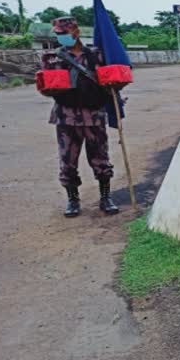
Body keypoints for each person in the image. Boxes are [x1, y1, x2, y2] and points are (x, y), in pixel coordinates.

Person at [40, 16, 119, 217]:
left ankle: (105, 197)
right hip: (66, 116)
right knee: (68, 161)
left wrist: (115, 86)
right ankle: (73, 200)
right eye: (58, 34)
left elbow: (109, 78)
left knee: (101, 158)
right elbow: (45, 85)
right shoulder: (51, 58)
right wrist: (47, 89)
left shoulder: (96, 54)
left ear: (75, 32)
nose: (61, 37)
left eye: (64, 34)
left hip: (94, 115)